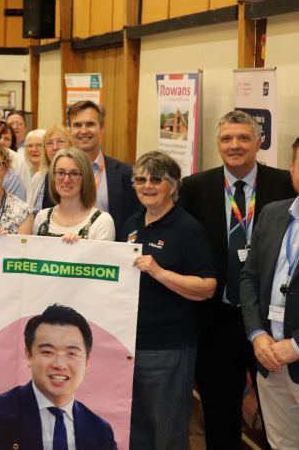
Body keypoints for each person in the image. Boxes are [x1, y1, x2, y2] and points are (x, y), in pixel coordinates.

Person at [179, 110, 294, 450]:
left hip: (271, 324)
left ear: (258, 143)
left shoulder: (285, 184)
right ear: (217, 144)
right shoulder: (194, 187)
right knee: (219, 416)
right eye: (227, 138)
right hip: (216, 320)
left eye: (244, 138)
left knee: (279, 419)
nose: (235, 145)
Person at [120, 151, 217, 450]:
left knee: (167, 434)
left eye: (156, 179)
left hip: (167, 349)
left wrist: (160, 272)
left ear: (173, 185)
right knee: (134, 431)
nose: (147, 186)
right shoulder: (132, 223)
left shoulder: (188, 229)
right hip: (128, 344)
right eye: (141, 180)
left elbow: (208, 287)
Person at [0, 304, 117, 450]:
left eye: (71, 354)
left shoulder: (100, 430)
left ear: (87, 363)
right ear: (29, 356)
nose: (60, 365)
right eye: (48, 352)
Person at [240, 136, 299, 450]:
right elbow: (249, 279)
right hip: (270, 359)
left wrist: (298, 344)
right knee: (282, 444)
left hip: (294, 353)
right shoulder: (273, 214)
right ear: (292, 170)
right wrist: (257, 333)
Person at [55, 101, 140, 238]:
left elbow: (135, 223)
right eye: (77, 125)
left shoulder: (126, 174)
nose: (84, 131)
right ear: (70, 130)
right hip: (65, 247)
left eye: (90, 124)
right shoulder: (55, 176)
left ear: (102, 128)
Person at [34, 148, 115, 242]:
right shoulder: (42, 218)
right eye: (60, 173)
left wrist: (79, 246)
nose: (66, 180)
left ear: (85, 177)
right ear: (53, 177)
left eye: (74, 173)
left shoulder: (102, 221)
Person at [32, 124, 75, 213]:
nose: (55, 147)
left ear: (71, 145)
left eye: (61, 141)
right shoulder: (39, 177)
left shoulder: (77, 176)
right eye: (50, 143)